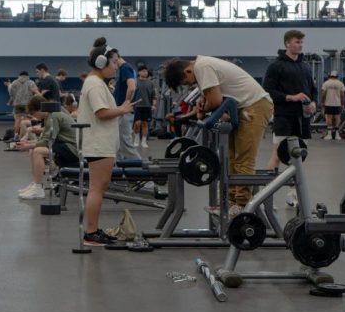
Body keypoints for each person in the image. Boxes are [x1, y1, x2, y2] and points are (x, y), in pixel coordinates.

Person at [162, 56, 274, 215]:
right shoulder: (201, 71)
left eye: (187, 82)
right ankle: (229, 202)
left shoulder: (202, 67)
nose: (190, 85)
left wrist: (203, 109)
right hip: (243, 108)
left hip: (254, 105)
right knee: (231, 157)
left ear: (187, 71)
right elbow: (205, 105)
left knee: (243, 157)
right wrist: (194, 113)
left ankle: (241, 205)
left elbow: (214, 101)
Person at [79, 37, 133, 248]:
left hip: (102, 143)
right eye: (113, 63)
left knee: (98, 188)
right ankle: (91, 233)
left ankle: (93, 230)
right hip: (98, 144)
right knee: (97, 189)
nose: (115, 67)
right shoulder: (94, 84)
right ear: (102, 63)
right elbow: (101, 113)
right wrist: (123, 109)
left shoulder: (96, 83)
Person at [262, 29, 316, 172]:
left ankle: (295, 194)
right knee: (278, 155)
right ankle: (268, 192)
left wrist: (313, 102)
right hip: (284, 117)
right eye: (297, 42)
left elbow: (312, 89)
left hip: (302, 119)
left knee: (299, 157)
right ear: (287, 44)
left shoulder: (305, 66)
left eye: (301, 42)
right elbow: (267, 91)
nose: (300, 45)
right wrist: (291, 97)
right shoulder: (276, 66)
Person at [17, 95, 80, 200]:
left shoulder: (54, 116)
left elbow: (47, 141)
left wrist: (28, 145)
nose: (34, 117)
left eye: (33, 114)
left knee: (38, 151)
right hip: (65, 145)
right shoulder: (51, 114)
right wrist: (29, 143)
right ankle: (35, 183)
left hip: (73, 149)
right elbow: (46, 139)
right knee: (35, 150)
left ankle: (37, 188)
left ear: (40, 109)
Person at [107, 47, 139, 160]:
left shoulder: (125, 68)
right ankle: (120, 168)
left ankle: (139, 169)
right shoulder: (126, 69)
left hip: (124, 111)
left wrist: (126, 103)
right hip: (122, 111)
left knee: (125, 142)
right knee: (119, 143)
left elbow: (132, 87)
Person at [7, 70, 40, 138]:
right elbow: (35, 92)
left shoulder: (14, 82)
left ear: (19, 75)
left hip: (17, 104)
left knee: (17, 120)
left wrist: (13, 100)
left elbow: (11, 93)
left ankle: (15, 135)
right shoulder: (31, 82)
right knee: (25, 121)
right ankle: (24, 137)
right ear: (27, 76)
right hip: (27, 104)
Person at [133, 66, 156, 148]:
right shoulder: (134, 82)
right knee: (137, 123)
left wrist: (153, 105)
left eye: (146, 71)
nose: (145, 73)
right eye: (143, 71)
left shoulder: (151, 83)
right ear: (139, 72)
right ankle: (136, 140)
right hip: (137, 106)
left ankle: (143, 141)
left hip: (147, 106)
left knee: (145, 124)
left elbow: (154, 96)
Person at [320, 71, 345, 140]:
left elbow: (323, 94)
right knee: (337, 118)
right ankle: (337, 135)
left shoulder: (326, 83)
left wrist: (322, 102)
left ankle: (329, 134)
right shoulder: (340, 83)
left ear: (330, 76)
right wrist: (342, 103)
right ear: (337, 76)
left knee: (329, 118)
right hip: (337, 103)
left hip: (328, 103)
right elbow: (342, 95)